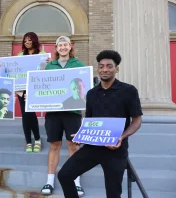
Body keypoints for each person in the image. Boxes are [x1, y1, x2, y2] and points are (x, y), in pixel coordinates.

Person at [57, 50, 143, 198]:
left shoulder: (128, 91)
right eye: (101, 66)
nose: (105, 69)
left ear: (117, 69)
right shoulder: (91, 93)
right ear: (97, 68)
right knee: (64, 175)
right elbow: (89, 122)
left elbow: (137, 120)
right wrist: (81, 136)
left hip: (115, 150)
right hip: (92, 148)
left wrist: (121, 137)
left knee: (113, 193)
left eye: (109, 66)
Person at [39, 36, 86, 196]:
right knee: (54, 146)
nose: (63, 47)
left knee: (73, 146)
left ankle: (76, 181)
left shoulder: (79, 65)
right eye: (60, 45)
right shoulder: (49, 66)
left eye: (65, 45)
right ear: (56, 48)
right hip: (53, 113)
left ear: (70, 47)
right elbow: (41, 87)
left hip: (72, 113)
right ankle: (50, 181)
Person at [16, 32, 46, 153]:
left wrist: (48, 63)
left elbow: (47, 71)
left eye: (29, 40)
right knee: (25, 115)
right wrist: (2, 67)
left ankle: (37, 139)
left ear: (34, 40)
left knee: (31, 113)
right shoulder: (20, 55)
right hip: (21, 89)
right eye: (25, 41)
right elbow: (14, 70)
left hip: (35, 88)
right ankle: (28, 141)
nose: (27, 42)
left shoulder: (42, 55)